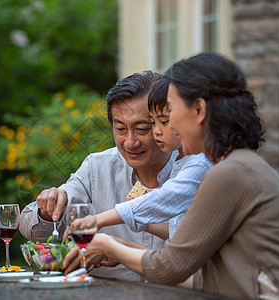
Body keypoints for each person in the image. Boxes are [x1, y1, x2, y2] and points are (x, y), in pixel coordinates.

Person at [72, 52, 279, 299]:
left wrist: (109, 244)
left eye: (169, 112)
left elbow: (169, 268)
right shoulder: (238, 165)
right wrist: (125, 249)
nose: (164, 128)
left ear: (199, 110)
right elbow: (201, 274)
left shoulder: (230, 173)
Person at [19, 71, 178, 281]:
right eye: (120, 129)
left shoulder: (192, 171)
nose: (130, 142)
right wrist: (48, 211)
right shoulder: (98, 167)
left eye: (142, 129)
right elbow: (32, 230)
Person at [67, 76, 212, 245]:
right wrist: (140, 227)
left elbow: (166, 198)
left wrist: (98, 220)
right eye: (153, 123)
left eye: (163, 122)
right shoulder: (183, 160)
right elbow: (178, 233)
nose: (157, 131)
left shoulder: (200, 161)